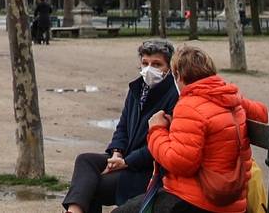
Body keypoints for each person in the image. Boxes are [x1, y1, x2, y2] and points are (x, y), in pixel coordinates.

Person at [140, 44, 269, 213]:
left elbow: (179, 164)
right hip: (234, 199)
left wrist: (156, 130)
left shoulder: (189, 105)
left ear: (178, 75)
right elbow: (262, 115)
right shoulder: (226, 96)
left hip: (198, 201)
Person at [60, 39, 180, 213]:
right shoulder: (136, 89)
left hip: (146, 170)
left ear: (169, 68)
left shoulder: (173, 96)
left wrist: (126, 162)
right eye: (145, 63)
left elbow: (161, 145)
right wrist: (117, 151)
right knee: (85, 160)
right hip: (124, 158)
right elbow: (122, 127)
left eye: (157, 64)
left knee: (91, 187)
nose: (149, 69)